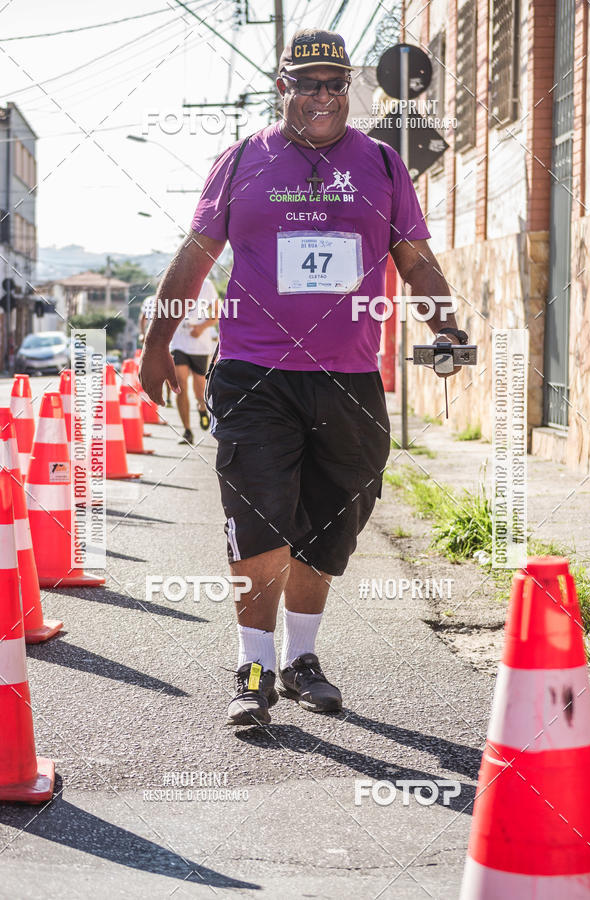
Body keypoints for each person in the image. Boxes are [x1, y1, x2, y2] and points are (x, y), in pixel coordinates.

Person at [140, 28, 468, 726]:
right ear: (281, 87)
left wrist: (444, 325)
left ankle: (302, 659)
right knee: (259, 517)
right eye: (307, 83)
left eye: (335, 83)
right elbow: (196, 255)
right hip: (254, 372)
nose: (323, 95)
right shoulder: (241, 161)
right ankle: (254, 665)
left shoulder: (382, 163)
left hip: (350, 379)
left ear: (348, 88)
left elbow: (415, 260)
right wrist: (156, 342)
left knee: (330, 525)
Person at [168, 279, 218, 444]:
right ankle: (187, 431)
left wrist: (201, 328)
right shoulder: (173, 280)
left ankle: (202, 407)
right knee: (180, 385)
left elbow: (216, 314)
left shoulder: (206, 285)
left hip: (200, 346)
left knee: (199, 390)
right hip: (178, 344)